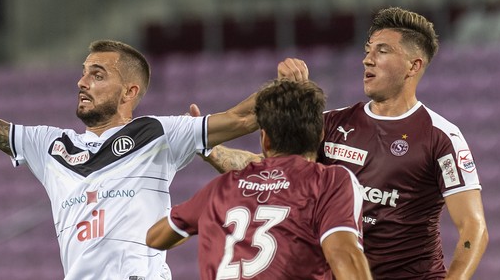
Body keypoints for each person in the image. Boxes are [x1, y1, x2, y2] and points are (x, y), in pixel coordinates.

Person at [0, 39, 263, 280]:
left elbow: (243, 116)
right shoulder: (50, 147)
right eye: (84, 72)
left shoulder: (157, 134)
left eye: (98, 74)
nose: (82, 82)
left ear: (129, 92)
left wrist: (289, 91)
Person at [198, 7, 489, 279]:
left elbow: (473, 230)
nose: (367, 59)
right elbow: (269, 173)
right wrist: (208, 147)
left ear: (413, 66)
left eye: (382, 51)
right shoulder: (331, 124)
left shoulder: (440, 137)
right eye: (367, 50)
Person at [146, 79, 373, 279]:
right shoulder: (330, 181)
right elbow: (344, 256)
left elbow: (155, 238)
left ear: (264, 140)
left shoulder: (221, 188)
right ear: (321, 135)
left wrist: (206, 221)